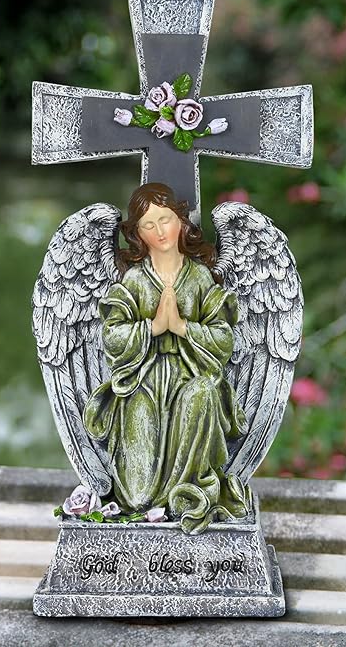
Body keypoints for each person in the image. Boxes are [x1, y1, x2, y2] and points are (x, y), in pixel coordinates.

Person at [83, 182, 249, 534]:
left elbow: (224, 337)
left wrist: (183, 327)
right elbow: (111, 335)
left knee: (202, 395)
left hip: (190, 375)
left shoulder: (200, 278)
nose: (160, 231)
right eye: (149, 225)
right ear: (137, 234)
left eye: (165, 220)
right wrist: (155, 327)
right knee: (137, 498)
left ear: (181, 222)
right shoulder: (134, 280)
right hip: (142, 381)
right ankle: (148, 501)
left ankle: (186, 493)